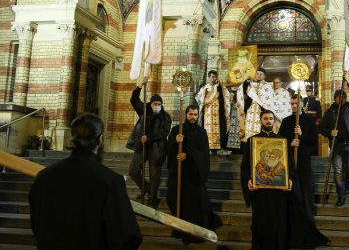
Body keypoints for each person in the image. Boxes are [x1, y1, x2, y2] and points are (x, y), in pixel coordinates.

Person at [29, 113, 142, 249]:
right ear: (100, 139)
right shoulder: (110, 181)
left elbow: (37, 224)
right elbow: (127, 236)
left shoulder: (43, 177)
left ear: (72, 137)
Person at [241, 110, 329, 249]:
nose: (268, 121)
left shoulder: (281, 141)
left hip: (278, 194)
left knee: (279, 224)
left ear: (274, 122)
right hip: (260, 193)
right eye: (265, 118)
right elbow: (245, 167)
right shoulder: (252, 141)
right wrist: (248, 181)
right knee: (260, 224)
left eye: (271, 118)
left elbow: (289, 165)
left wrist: (290, 179)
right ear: (260, 121)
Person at [166, 105, 222, 244]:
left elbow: (203, 154)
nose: (193, 117)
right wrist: (175, 143)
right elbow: (168, 149)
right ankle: (180, 228)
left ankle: (196, 232)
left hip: (193, 174)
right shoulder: (176, 130)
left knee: (197, 203)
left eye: (195, 114)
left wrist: (188, 155)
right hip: (179, 173)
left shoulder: (201, 132)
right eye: (190, 114)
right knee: (172, 198)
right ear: (186, 114)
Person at [128, 77, 172, 208]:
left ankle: (153, 200)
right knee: (133, 171)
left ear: (161, 105)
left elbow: (164, 132)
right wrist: (139, 86)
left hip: (157, 149)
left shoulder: (166, 116)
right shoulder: (145, 110)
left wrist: (149, 137)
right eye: (155, 104)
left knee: (154, 176)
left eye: (159, 104)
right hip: (141, 146)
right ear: (151, 104)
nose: (157, 106)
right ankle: (146, 188)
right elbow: (134, 100)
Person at [319, 70, 349, 206]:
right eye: (338, 97)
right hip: (337, 146)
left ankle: (347, 185)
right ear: (335, 98)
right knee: (337, 171)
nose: (341, 99)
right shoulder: (330, 112)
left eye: (343, 97)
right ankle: (340, 195)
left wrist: (348, 81)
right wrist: (330, 132)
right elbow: (321, 128)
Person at [278, 94, 318, 221]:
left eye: (297, 103)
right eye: (292, 104)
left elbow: (314, 142)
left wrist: (302, 135)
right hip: (290, 160)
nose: (294, 106)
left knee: (305, 188)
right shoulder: (286, 121)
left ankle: (306, 215)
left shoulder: (309, 120)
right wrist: (290, 143)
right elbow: (280, 141)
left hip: (304, 160)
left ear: (301, 103)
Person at [236, 68, 281, 142]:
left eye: (261, 74)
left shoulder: (267, 86)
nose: (259, 76)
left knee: (261, 128)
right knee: (250, 128)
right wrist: (246, 83)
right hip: (251, 110)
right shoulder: (250, 84)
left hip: (262, 111)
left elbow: (270, 100)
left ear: (264, 76)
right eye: (257, 74)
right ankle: (250, 144)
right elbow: (243, 91)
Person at [195, 70, 231, 154]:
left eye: (216, 77)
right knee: (207, 130)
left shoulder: (221, 87)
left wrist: (218, 88)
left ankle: (219, 147)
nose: (214, 78)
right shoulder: (205, 87)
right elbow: (199, 99)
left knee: (221, 128)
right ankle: (208, 147)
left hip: (219, 113)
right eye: (213, 77)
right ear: (209, 77)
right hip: (208, 113)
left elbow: (227, 97)